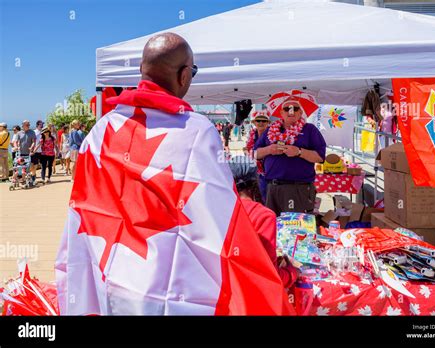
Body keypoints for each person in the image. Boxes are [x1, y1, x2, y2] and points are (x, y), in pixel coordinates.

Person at [56, 32, 293, 315]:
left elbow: (83, 208)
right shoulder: (196, 131)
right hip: (166, 283)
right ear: (183, 75)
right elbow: (220, 218)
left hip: (110, 271)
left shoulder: (101, 129)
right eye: (192, 71)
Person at [228, 157, 299, 288]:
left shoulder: (217, 209)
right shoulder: (263, 216)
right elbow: (270, 276)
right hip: (251, 294)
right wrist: (293, 272)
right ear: (256, 183)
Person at [254, 97, 326, 216]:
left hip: (297, 188)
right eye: (287, 109)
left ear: (300, 112)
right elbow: (255, 154)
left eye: (295, 108)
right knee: (272, 227)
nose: (290, 112)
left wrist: (299, 152)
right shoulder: (270, 130)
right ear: (281, 113)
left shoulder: (310, 130)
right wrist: (269, 149)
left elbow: (320, 157)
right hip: (272, 188)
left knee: (295, 229)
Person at [246, 111, 270, 203]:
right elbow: (248, 148)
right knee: (256, 197)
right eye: (258, 120)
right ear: (254, 122)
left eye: (264, 121)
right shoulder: (252, 134)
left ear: (268, 123)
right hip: (254, 171)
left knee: (266, 197)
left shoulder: (272, 135)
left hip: (268, 172)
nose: (261, 123)